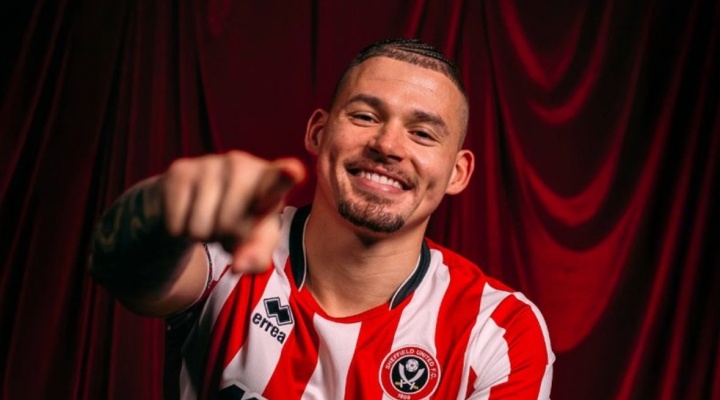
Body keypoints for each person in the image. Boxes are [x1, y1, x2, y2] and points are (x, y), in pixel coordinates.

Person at [90, 38, 554, 400]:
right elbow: (122, 267)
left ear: (457, 173)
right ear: (317, 132)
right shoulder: (230, 251)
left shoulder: (500, 332)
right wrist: (166, 208)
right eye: (365, 116)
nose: (388, 146)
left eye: (422, 133)